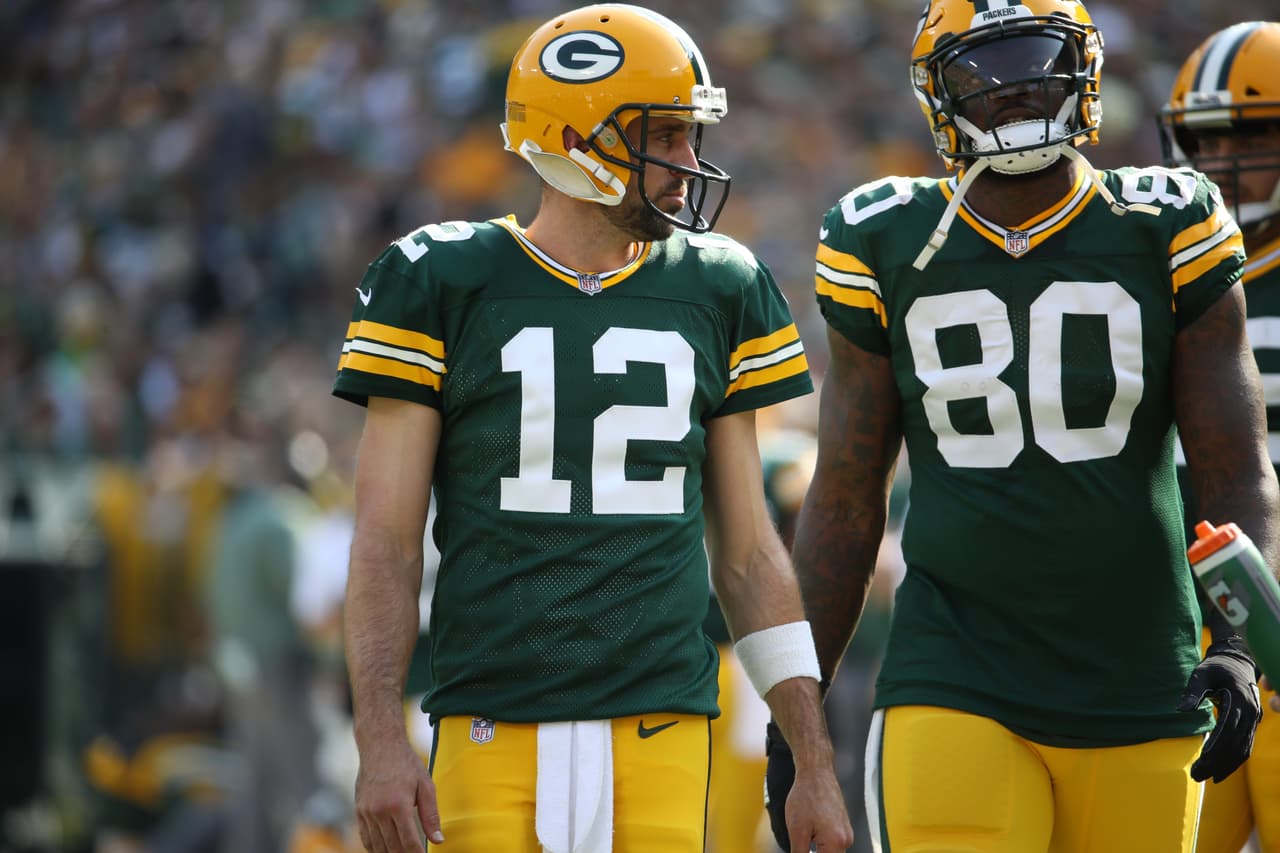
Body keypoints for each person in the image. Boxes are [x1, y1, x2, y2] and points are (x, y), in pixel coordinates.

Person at [331, 5, 853, 853]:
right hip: (489, 720)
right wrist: (380, 738)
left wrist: (812, 759)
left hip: (664, 724)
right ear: (574, 138)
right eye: (664, 135)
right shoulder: (440, 279)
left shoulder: (720, 286)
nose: (688, 164)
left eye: (691, 135)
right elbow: (385, 540)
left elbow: (751, 553)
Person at [763, 1, 1280, 851]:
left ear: (1084, 68)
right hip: (954, 669)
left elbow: (1233, 461)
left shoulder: (1167, 220)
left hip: (1146, 672)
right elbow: (847, 495)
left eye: (1037, 60)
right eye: (982, 72)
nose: (1013, 90)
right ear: (938, 93)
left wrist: (1237, 642)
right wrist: (800, 709)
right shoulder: (882, 236)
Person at [1159, 20, 1280, 853]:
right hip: (1184, 639)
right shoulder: (1160, 277)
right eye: (1203, 140)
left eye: (1250, 134)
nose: (1221, 161)